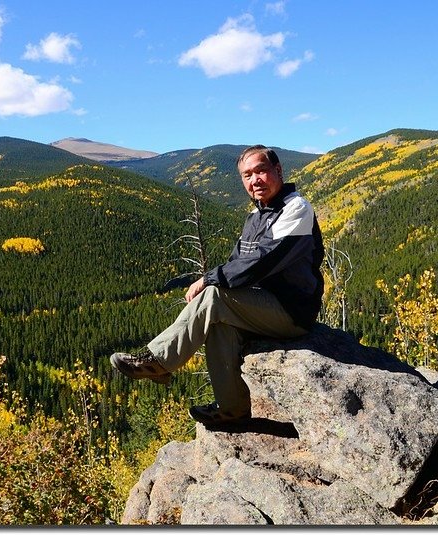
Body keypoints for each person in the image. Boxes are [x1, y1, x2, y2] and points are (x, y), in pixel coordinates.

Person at [110, 145, 324, 425]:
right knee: (218, 324)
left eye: (260, 171)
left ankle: (159, 361)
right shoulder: (257, 216)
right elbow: (239, 262)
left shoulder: (296, 208)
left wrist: (209, 278)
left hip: (290, 311)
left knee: (214, 297)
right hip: (260, 307)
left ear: (278, 171)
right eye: (247, 175)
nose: (254, 180)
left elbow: (262, 261)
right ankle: (232, 409)